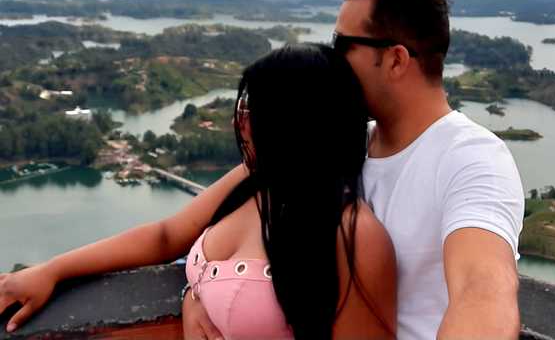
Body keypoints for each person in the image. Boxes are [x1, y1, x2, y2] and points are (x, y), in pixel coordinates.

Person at [181, 0, 525, 340]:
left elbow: (484, 290)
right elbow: (186, 231)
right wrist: (198, 291)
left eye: (343, 44)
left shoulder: (472, 160)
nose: (333, 57)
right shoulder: (335, 142)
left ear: (395, 61)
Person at [0, 44, 397, 339]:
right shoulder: (253, 181)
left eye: (253, 112)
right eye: (244, 110)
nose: (241, 124)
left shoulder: (354, 235)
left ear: (295, 124)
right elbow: (166, 236)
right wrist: (52, 270)